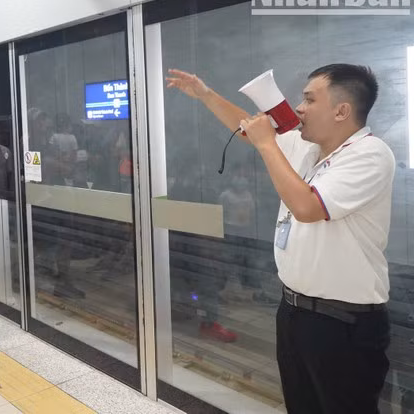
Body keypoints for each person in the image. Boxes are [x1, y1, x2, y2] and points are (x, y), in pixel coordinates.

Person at [167, 65, 395, 413]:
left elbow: (306, 206)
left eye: (309, 99)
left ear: (342, 111)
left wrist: (266, 143)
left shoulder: (370, 154)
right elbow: (248, 130)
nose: (299, 108)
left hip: (343, 323)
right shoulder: (309, 150)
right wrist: (206, 95)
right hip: (294, 312)